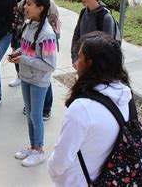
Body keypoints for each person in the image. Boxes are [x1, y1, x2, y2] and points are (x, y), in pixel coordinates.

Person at [48, 32, 132, 186]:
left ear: (90, 64)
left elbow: (61, 161)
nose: (75, 63)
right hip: (110, 178)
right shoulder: (125, 96)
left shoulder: (82, 108)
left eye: (80, 57)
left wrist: (52, 168)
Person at [9, 0, 56, 167]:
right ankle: (33, 146)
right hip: (26, 77)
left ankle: (40, 151)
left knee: (36, 115)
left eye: (29, 4)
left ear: (40, 8)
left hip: (38, 81)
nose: (25, 7)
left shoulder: (47, 34)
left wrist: (24, 59)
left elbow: (50, 65)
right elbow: (26, 48)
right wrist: (18, 53)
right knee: (30, 114)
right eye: (25, 3)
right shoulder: (29, 24)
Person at [71, 0, 116, 66]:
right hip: (82, 63)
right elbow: (76, 36)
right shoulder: (83, 12)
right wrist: (75, 59)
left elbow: (107, 48)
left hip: (97, 68)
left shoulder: (106, 18)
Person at [8, 0, 29, 87]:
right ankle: (19, 76)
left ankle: (26, 76)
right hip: (13, 28)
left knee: (26, 52)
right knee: (15, 51)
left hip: (25, 27)